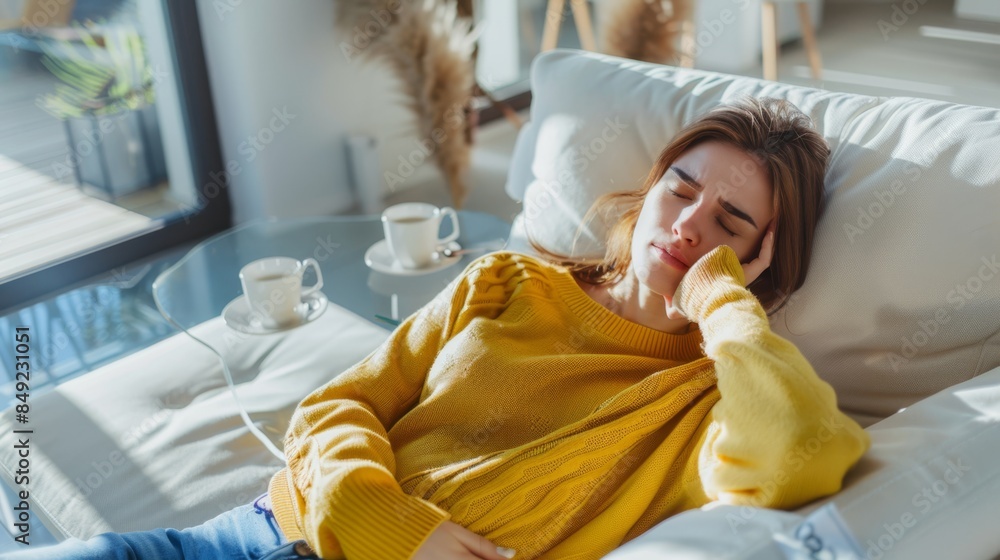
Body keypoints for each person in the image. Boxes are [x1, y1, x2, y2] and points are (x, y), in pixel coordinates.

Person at [9, 97, 870, 560]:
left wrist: (720, 303)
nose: (689, 226)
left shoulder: (711, 397)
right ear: (648, 189)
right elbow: (336, 406)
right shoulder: (508, 279)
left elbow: (801, 451)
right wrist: (387, 521)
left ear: (763, 261)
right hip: (255, 530)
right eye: (682, 189)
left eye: (730, 224)